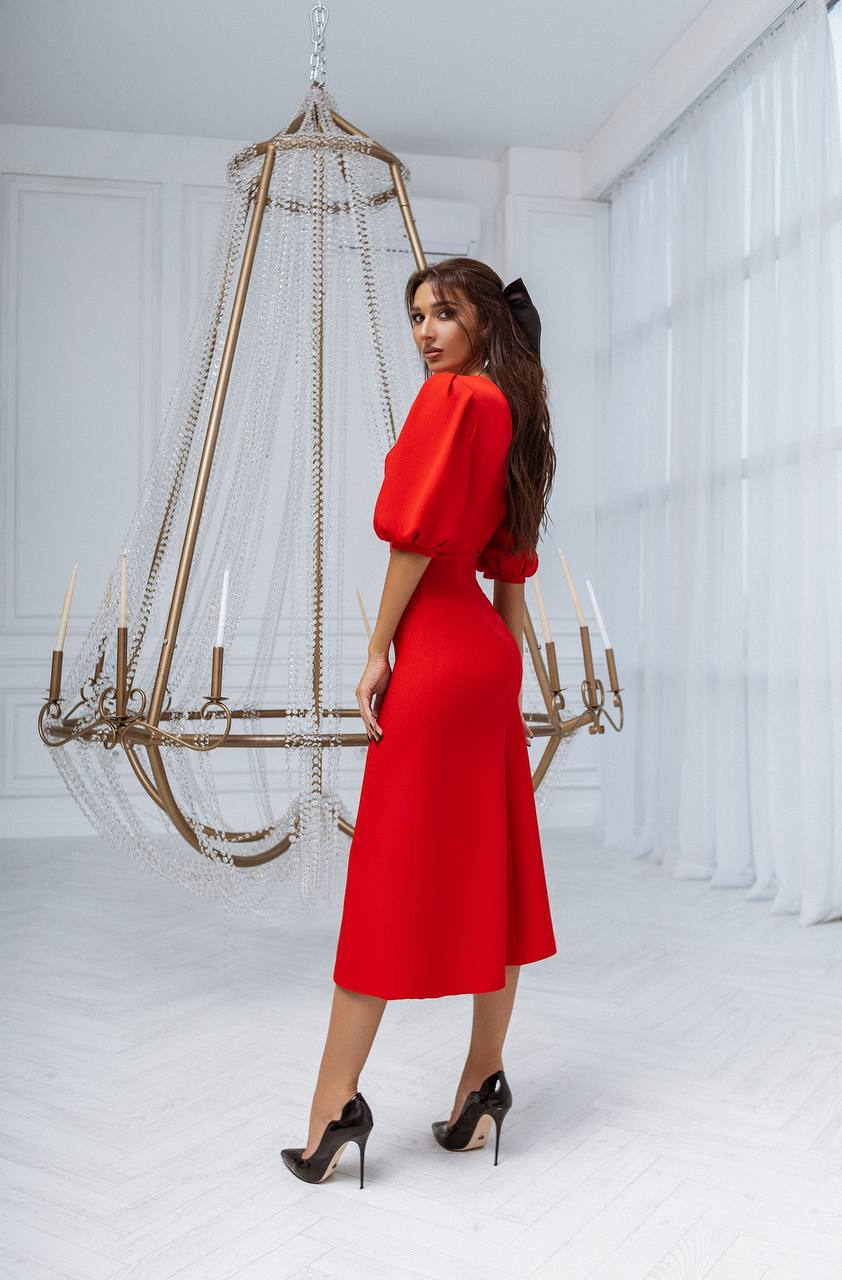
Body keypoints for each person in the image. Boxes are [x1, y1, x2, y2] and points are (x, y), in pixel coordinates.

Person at [281, 257, 558, 1188]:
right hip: (486, 659)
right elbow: (510, 567)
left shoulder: (451, 402)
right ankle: (483, 1082)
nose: (426, 332)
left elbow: (413, 537)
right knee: (496, 873)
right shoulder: (513, 413)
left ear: (483, 318)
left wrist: (376, 651)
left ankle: (333, 1109)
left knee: (386, 878)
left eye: (443, 312)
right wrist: (510, 670)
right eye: (415, 317)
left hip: (437, 656)